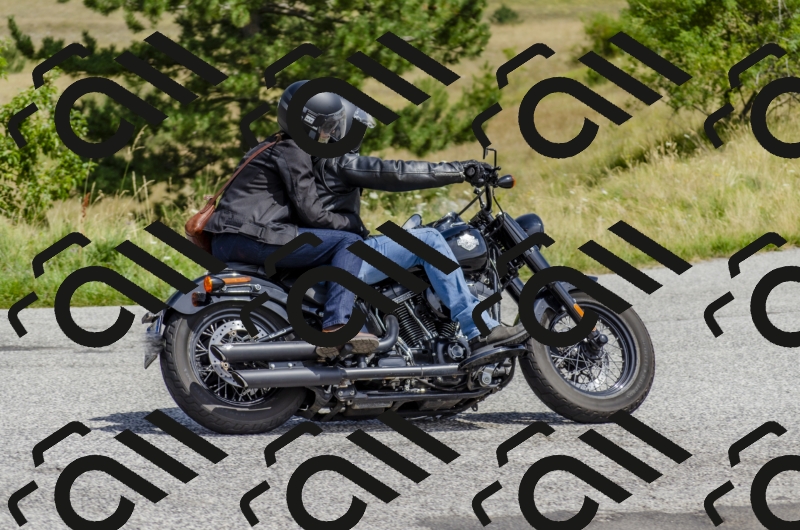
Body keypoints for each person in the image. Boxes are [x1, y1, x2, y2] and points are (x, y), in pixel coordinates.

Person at [284, 81, 529, 355]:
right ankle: (480, 329)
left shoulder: (311, 159)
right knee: (430, 239)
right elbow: (397, 172)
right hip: (342, 258)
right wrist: (461, 171)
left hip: (321, 255)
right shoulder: (337, 162)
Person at [203, 82, 378, 358]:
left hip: (228, 239)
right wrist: (354, 225)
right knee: (350, 242)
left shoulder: (270, 145)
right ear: (306, 123)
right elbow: (313, 213)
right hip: (251, 237)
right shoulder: (293, 150)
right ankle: (337, 325)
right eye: (325, 126)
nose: (329, 133)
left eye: (333, 125)